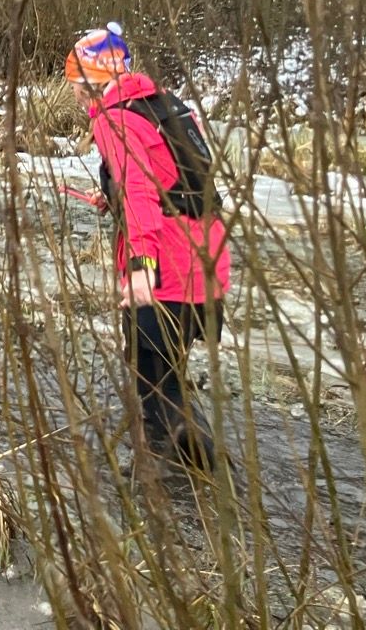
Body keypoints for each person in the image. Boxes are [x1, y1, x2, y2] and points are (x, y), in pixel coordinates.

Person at [66, 23, 231, 469]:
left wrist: (141, 269)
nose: (76, 94)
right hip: (208, 262)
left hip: (169, 267)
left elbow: (140, 194)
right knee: (167, 377)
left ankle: (184, 477)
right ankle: (190, 479)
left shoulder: (115, 120)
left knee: (154, 384)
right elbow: (175, 178)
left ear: (95, 81)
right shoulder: (162, 103)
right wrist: (112, 194)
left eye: (78, 83)